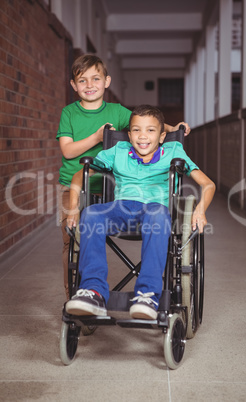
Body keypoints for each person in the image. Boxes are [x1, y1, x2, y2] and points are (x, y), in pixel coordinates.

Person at [56, 54, 191, 299]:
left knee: (100, 222)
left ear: (106, 82)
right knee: (72, 240)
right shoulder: (69, 113)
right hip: (75, 183)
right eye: (82, 80)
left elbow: (147, 123)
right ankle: (76, 295)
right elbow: (67, 150)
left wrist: (173, 130)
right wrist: (96, 138)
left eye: (95, 79)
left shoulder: (117, 111)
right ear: (74, 85)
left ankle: (146, 292)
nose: (89, 85)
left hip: (111, 185)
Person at [65, 105, 215, 320]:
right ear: (129, 134)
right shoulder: (118, 151)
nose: (142, 136)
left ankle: (147, 294)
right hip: (120, 210)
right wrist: (72, 209)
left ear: (162, 136)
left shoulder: (173, 151)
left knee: (156, 214)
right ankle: (93, 292)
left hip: (155, 213)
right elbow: (80, 176)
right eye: (136, 130)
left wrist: (200, 209)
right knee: (91, 213)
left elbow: (208, 184)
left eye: (150, 130)